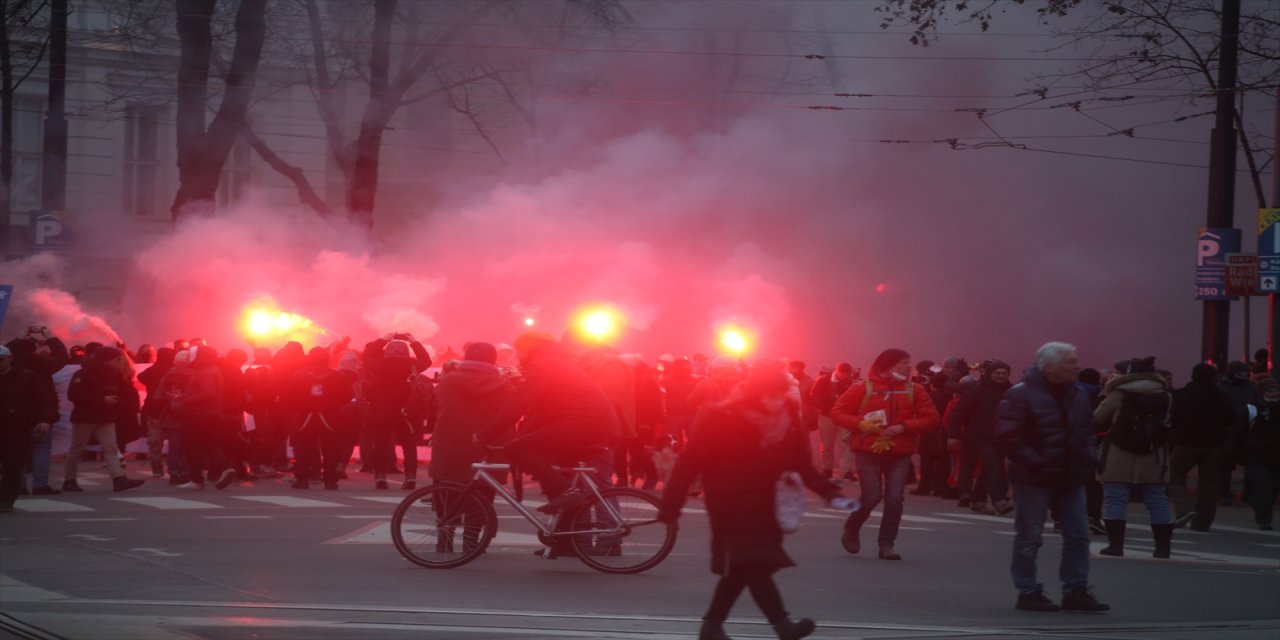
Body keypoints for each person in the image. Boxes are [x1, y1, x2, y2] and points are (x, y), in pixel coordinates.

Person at [659, 364, 847, 640]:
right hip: (729, 503)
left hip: (768, 502)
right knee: (754, 562)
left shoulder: (786, 416)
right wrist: (671, 505)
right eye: (769, 394)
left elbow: (800, 463)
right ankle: (782, 625)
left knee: (742, 566)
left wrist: (829, 491)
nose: (774, 400)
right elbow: (690, 462)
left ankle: (712, 626)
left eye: (779, 394)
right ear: (755, 392)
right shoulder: (722, 416)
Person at [996, 341, 1108, 613]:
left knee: (1079, 535)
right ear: (1049, 367)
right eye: (1071, 362)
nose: (1077, 366)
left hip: (1071, 475)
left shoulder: (1078, 393)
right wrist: (1039, 462)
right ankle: (1028, 591)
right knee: (1030, 536)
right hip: (1033, 478)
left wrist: (1090, 457)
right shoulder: (1020, 394)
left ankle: (1075, 590)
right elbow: (1008, 437)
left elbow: (1087, 430)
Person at [474, 331, 620, 516]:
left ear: (529, 349)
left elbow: (517, 404)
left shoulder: (542, 366)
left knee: (515, 450)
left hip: (582, 425)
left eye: (519, 350)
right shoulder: (557, 362)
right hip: (590, 424)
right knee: (558, 478)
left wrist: (486, 434)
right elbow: (542, 411)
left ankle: (568, 493)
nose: (518, 355)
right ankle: (566, 530)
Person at [831, 348, 941, 561]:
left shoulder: (914, 389)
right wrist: (860, 424)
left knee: (894, 499)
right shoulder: (863, 388)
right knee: (872, 496)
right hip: (868, 450)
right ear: (888, 366)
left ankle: (886, 545)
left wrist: (904, 427)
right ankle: (853, 525)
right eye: (904, 363)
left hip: (899, 452)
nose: (909, 367)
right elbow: (837, 412)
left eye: (909, 363)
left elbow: (932, 419)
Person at [1093, 356, 1175, 557]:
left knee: (1115, 498)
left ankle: (1115, 545)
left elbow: (1098, 417)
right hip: (1154, 454)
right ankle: (1163, 547)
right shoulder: (1165, 395)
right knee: (1157, 499)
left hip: (1119, 453)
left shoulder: (1119, 393)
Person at [429, 342, 517, 489]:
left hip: (450, 449)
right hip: (487, 449)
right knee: (482, 497)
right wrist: (517, 380)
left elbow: (434, 407)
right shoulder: (504, 386)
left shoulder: (448, 382)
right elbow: (514, 411)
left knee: (447, 497)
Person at [63, 347, 146, 493]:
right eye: (116, 359)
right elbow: (74, 395)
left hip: (106, 416)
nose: (118, 362)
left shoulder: (113, 374)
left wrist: (119, 402)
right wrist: (102, 399)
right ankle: (69, 480)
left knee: (110, 448)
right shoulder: (82, 374)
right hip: (85, 417)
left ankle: (118, 479)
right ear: (107, 360)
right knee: (77, 449)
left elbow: (122, 392)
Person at [1168, 363, 1235, 530]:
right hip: (1213, 445)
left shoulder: (1180, 395)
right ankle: (1203, 522)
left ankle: (1185, 508)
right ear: (1213, 377)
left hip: (1184, 443)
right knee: (1209, 485)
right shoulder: (1222, 397)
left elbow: (1172, 418)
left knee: (1174, 476)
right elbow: (1231, 422)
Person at [948, 360, 1014, 515]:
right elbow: (959, 413)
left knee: (988, 469)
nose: (1001, 376)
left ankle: (978, 501)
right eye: (997, 373)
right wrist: (953, 435)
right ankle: (999, 500)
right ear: (990, 374)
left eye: (1004, 373)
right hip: (979, 436)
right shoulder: (977, 390)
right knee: (994, 466)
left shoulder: (1011, 391)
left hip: (1001, 437)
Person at [1, 345, 59, 512]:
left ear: (10, 359)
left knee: (13, 466)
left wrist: (45, 420)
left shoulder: (26, 377)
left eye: (1, 360)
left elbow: (43, 400)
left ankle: (6, 499)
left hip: (18, 428)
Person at [1242, 378, 1280, 530]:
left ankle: (1257, 503)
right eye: (1270, 391)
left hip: (1276, 456)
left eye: (1276, 391)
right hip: (1255, 455)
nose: (1274, 393)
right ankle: (1264, 519)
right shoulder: (1252, 410)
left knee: (1274, 487)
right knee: (1264, 486)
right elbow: (1238, 433)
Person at [810, 363, 856, 481]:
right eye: (843, 374)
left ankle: (846, 471)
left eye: (847, 374)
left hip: (844, 417)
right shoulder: (823, 380)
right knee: (827, 444)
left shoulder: (852, 382)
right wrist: (824, 409)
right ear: (837, 371)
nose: (845, 376)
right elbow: (815, 396)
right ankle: (827, 469)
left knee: (846, 443)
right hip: (827, 416)